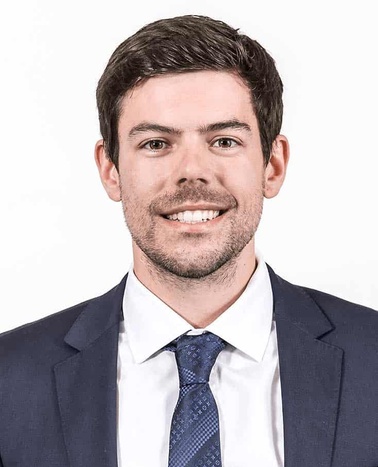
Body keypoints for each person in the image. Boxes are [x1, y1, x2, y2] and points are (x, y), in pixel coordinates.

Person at [0, 14, 378, 467]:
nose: (192, 171)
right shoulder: (9, 379)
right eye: (157, 144)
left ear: (272, 165)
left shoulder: (370, 358)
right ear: (110, 169)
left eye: (223, 140)